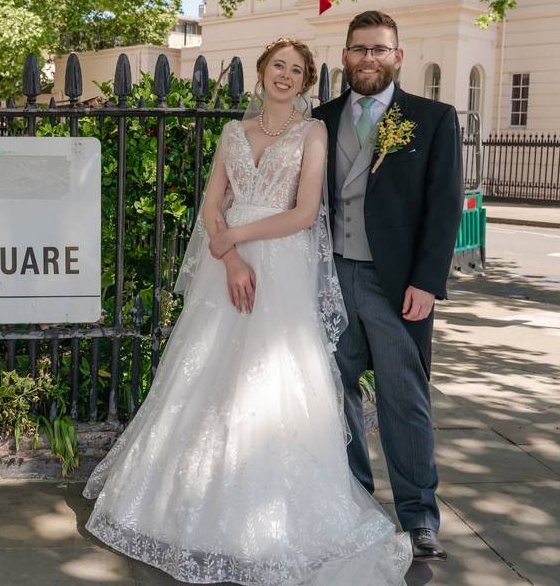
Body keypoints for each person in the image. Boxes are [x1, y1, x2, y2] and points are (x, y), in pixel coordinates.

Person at [83, 37, 412, 585]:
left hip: (282, 266)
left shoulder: (314, 133)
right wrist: (231, 255)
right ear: (261, 72)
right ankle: (177, 509)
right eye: (277, 66)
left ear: (306, 82)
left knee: (271, 380)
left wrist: (237, 235)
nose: (285, 76)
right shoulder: (233, 133)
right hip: (228, 268)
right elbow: (212, 203)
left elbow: (305, 213)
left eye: (296, 70)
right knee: (205, 376)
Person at [312, 10, 463, 563]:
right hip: (330, 275)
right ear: (345, 56)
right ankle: (352, 499)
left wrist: (428, 282)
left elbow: (444, 209)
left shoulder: (432, 118)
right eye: (359, 49)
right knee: (336, 394)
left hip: (397, 284)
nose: (368, 58)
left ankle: (420, 516)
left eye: (379, 49)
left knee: (405, 400)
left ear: (398, 56)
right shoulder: (320, 119)